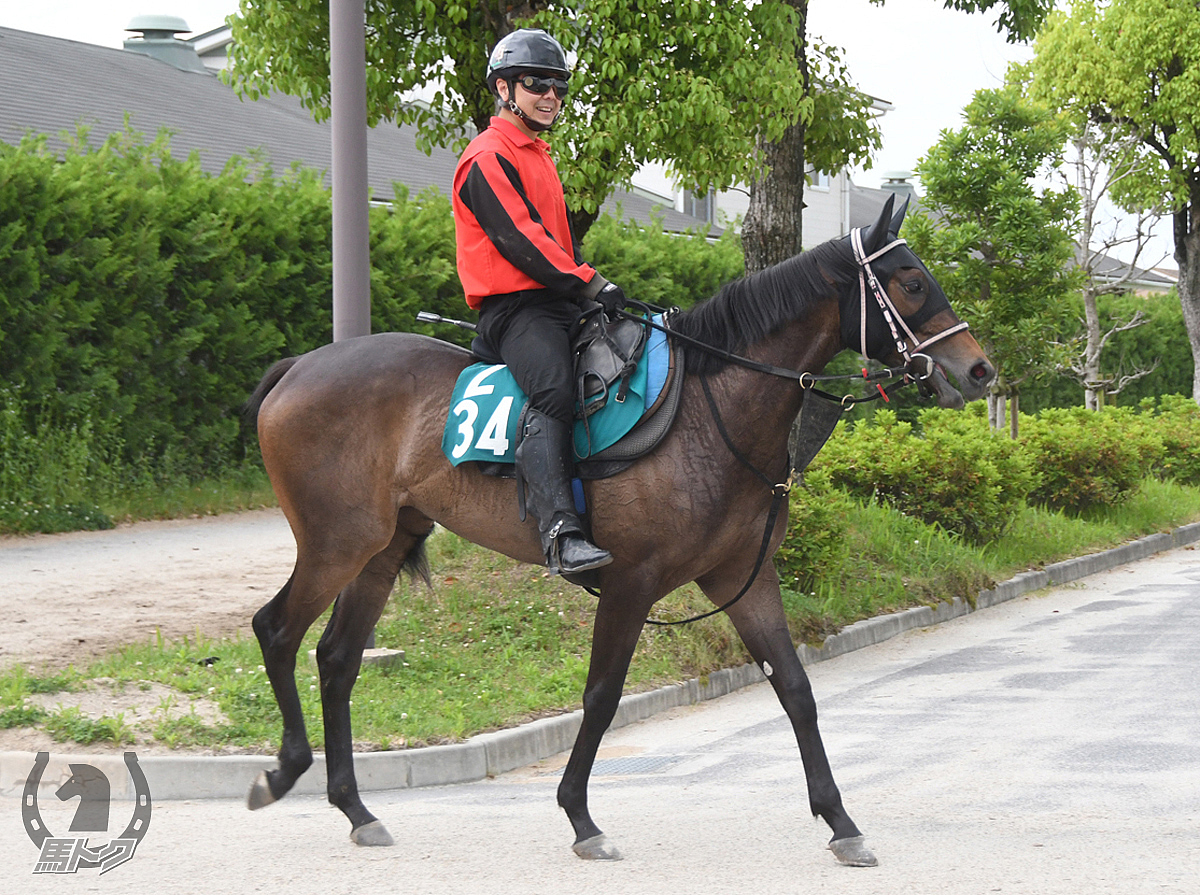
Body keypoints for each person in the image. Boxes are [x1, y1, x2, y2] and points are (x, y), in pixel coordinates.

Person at [452, 28, 626, 576]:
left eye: (558, 86)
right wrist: (589, 283)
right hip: (516, 311)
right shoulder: (486, 155)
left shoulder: (538, 153)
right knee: (553, 390)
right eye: (536, 84)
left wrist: (587, 293)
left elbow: (554, 242)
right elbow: (520, 240)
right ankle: (560, 534)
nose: (550, 95)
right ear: (504, 88)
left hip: (556, 304)